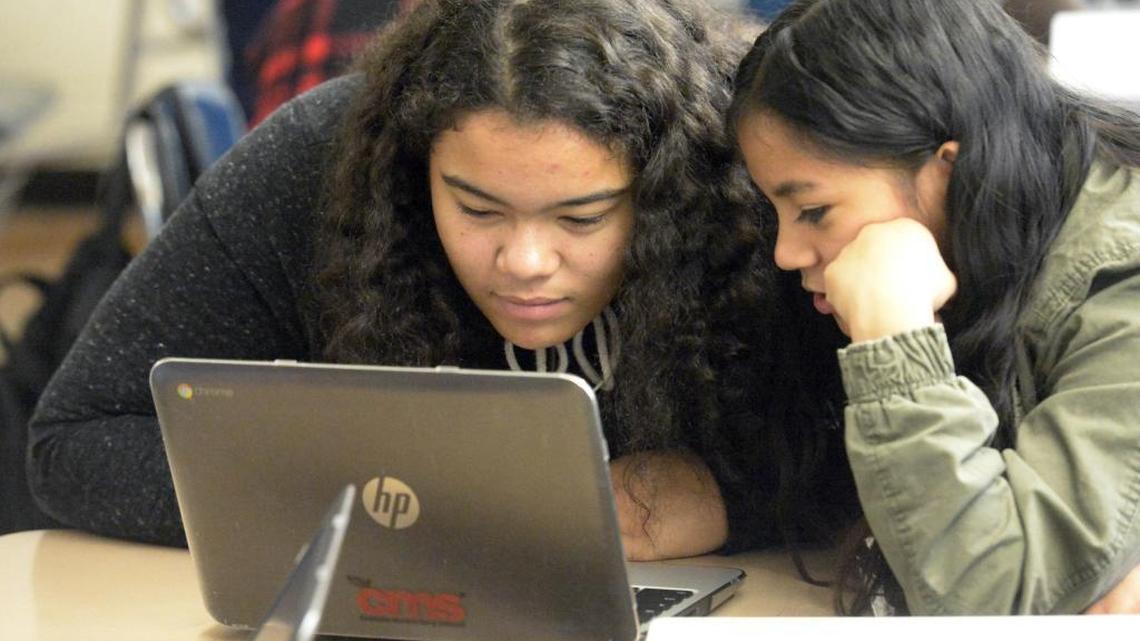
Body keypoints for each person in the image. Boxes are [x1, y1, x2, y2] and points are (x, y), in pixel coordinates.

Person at [27, 0, 813, 562]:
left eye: (581, 218)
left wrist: (737, 502)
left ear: (665, 188)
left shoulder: (747, 168)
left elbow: (898, 447)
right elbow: (77, 438)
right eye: (476, 207)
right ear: (415, 168)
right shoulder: (324, 160)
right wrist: (405, 508)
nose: (525, 261)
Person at [729, 0, 1140, 614]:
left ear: (948, 171)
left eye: (814, 211)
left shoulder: (1120, 276)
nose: (786, 252)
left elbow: (997, 600)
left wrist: (895, 341)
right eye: (776, 213)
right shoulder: (1011, 230)